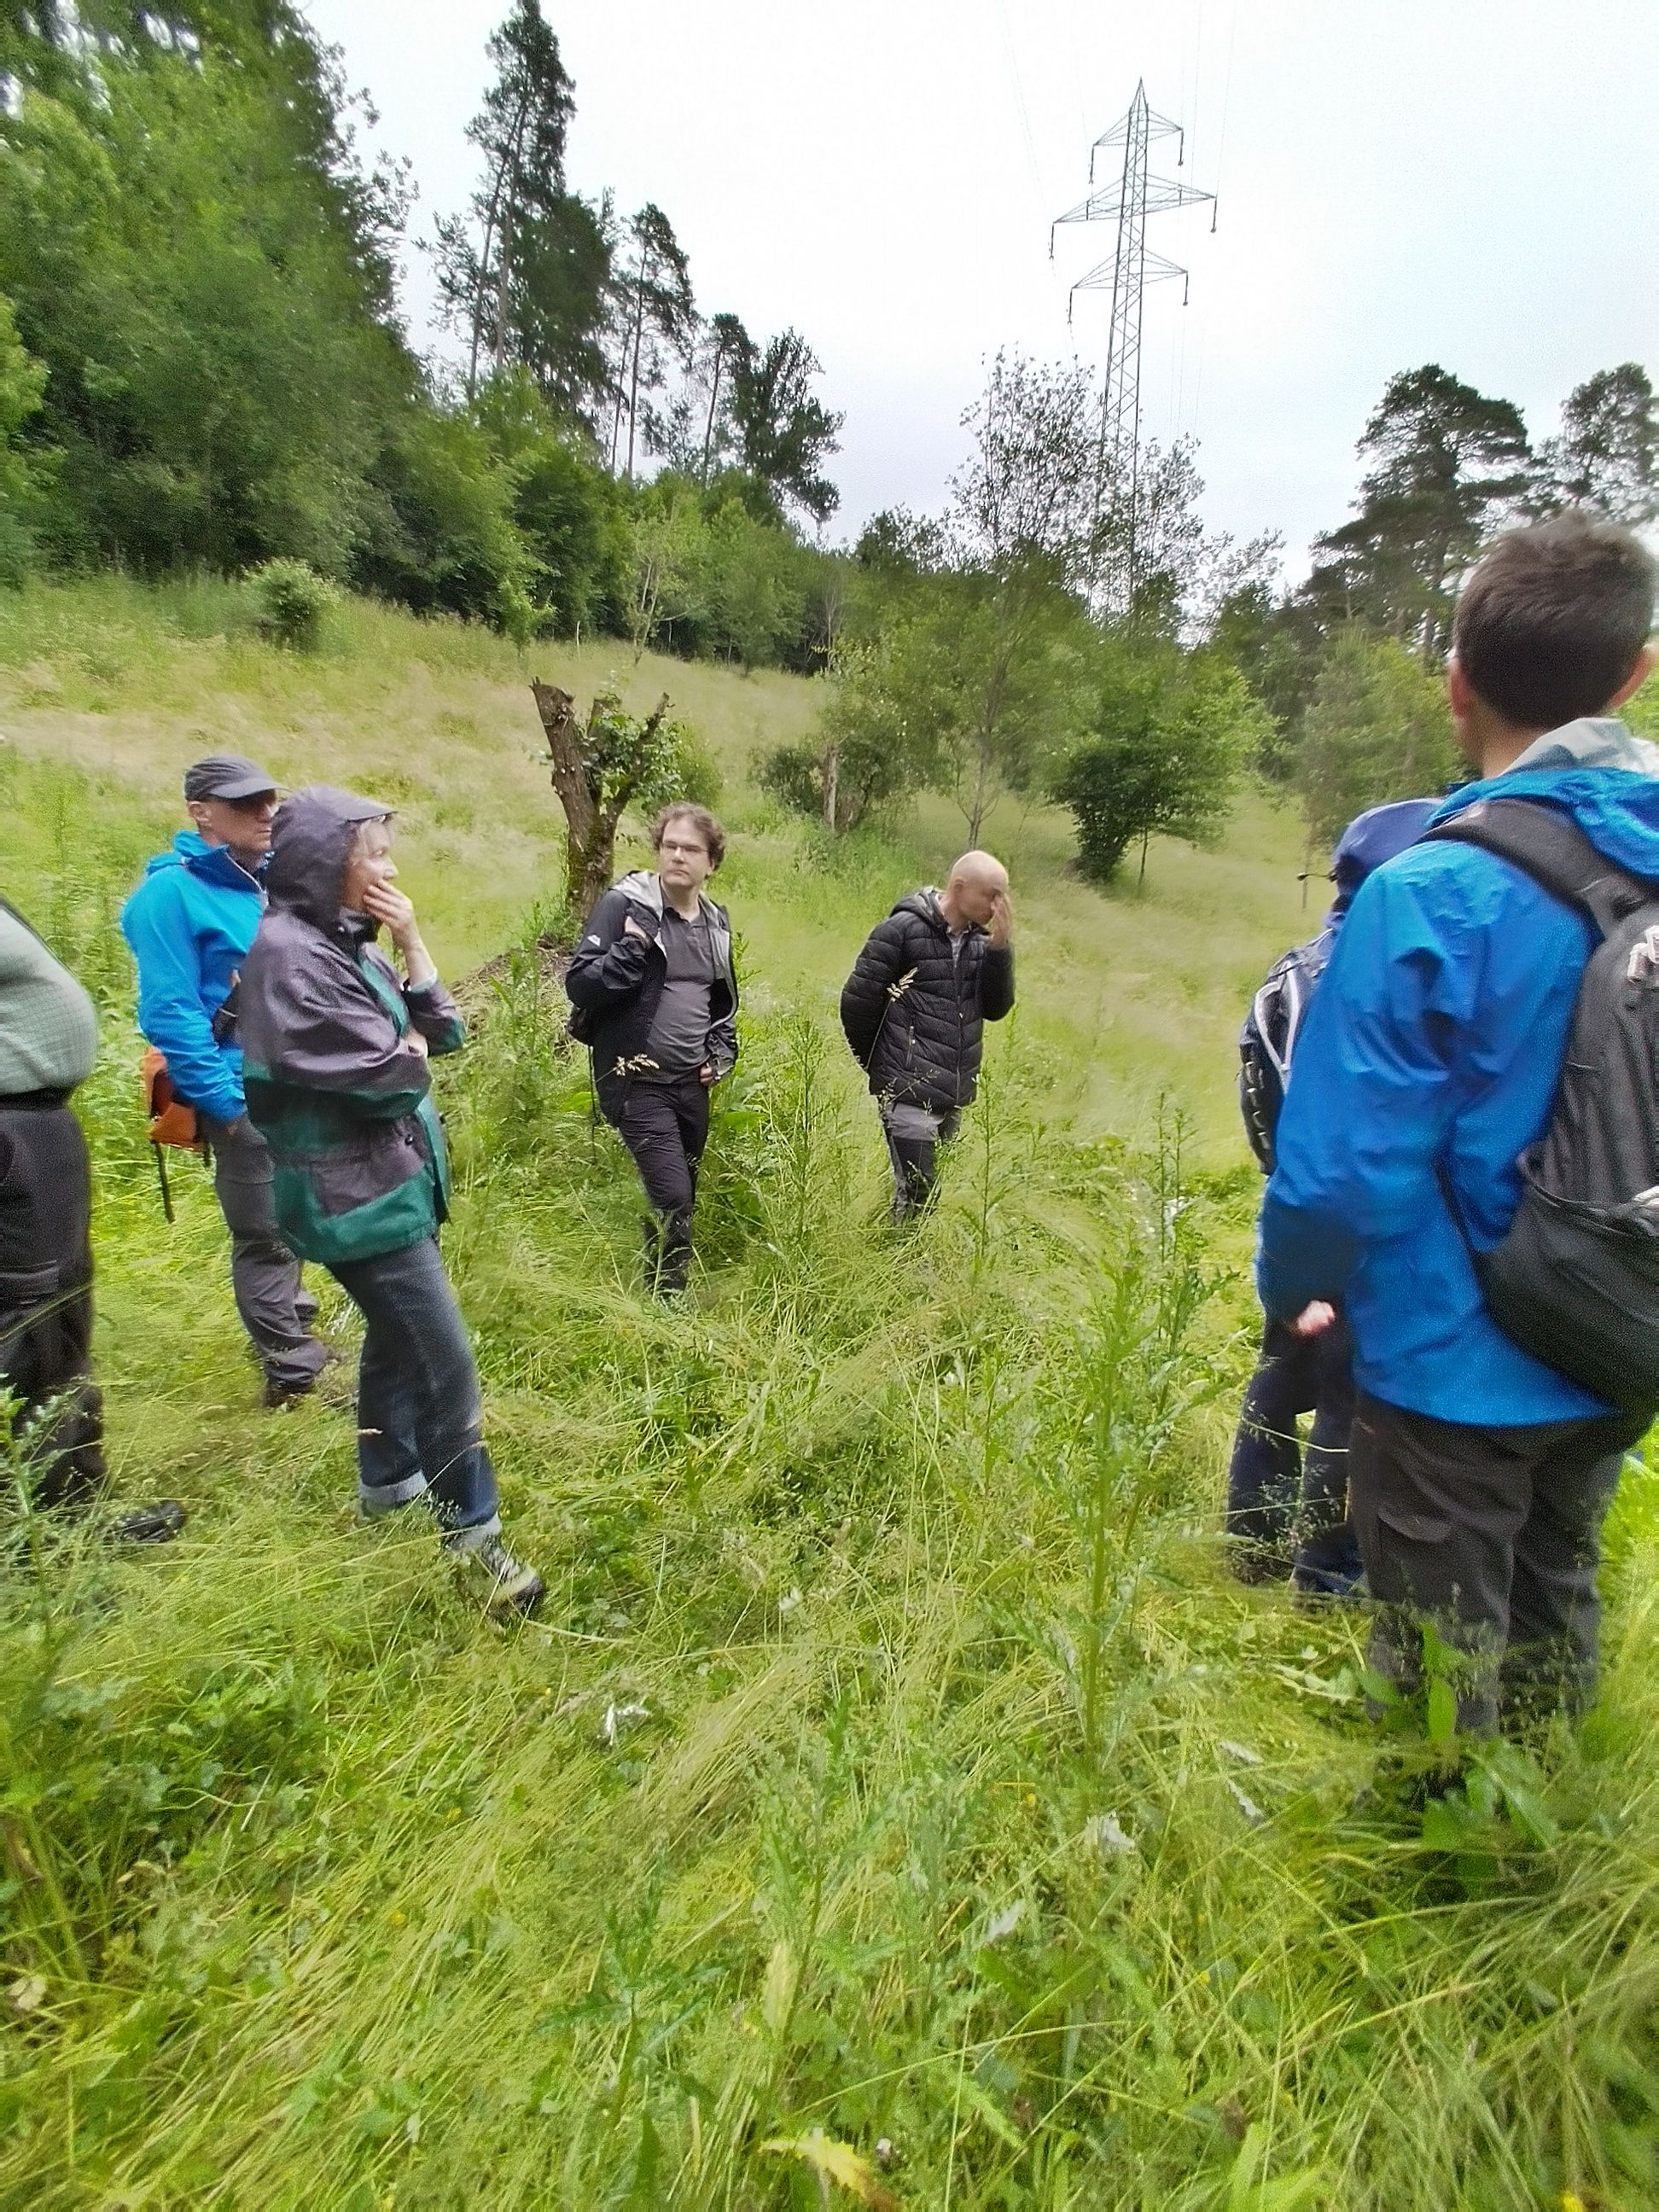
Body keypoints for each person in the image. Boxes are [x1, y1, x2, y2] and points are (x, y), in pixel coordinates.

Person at [1258, 514, 1658, 1732]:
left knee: (1435, 1641)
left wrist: (1301, 1295)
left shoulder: (1429, 892)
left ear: (1456, 685)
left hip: (1449, 1355)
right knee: (1557, 1584)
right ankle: (1540, 1831)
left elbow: (1337, 1171)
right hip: (1620, 1321)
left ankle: (1440, 1871)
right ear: (1636, 676)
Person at [237, 787, 544, 1618]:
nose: (389, 866)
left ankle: (386, 1483)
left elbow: (439, 1036)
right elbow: (388, 1079)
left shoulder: (346, 944)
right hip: (353, 1200)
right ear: (326, 864)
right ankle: (475, 1542)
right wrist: (403, 1050)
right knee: (446, 1365)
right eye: (374, 852)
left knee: (395, 1339)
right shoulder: (290, 958)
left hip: (390, 1187)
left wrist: (409, 941)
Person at [1228, 799, 1438, 1597]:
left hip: (1296, 1210)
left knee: (1281, 1375)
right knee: (1349, 1405)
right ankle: (1327, 1580)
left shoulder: (1294, 969)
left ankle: (1249, 1542)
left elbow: (1259, 1094)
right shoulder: (1388, 972)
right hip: (1373, 1225)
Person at [120, 755, 329, 1409]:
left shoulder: (268, 881)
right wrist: (226, 1104)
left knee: (294, 1215)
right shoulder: (169, 895)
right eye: (245, 804)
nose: (266, 813)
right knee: (264, 1232)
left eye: (269, 800)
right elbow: (170, 1012)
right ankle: (292, 1377)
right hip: (243, 1088)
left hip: (298, 1083)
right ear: (200, 812)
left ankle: (296, 1330)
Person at [0, 896, 183, 1541]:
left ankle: (76, 1508)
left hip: (38, 1125)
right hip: (10, 1131)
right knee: (27, 1325)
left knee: (64, 1311)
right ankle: (36, 1541)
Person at [565, 804, 738, 1297]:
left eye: (691, 849)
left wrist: (722, 1050)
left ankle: (657, 1280)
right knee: (674, 1194)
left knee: (680, 1190)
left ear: (712, 863)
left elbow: (719, 1002)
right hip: (635, 1077)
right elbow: (580, 984)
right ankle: (669, 1301)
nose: (678, 856)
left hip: (690, 1083)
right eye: (670, 846)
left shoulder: (715, 922)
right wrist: (631, 949)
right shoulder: (626, 906)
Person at [840, 851, 1015, 1222]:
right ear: (959, 887)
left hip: (952, 1091)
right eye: (993, 895)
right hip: (906, 1088)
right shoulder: (901, 930)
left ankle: (896, 1255)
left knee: (920, 1190)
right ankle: (901, 1269)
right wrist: (883, 1067)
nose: (1000, 906)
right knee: (920, 1190)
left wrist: (1000, 949)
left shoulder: (982, 945)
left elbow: (997, 1009)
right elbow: (857, 1003)